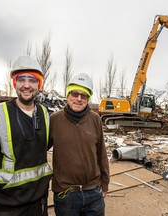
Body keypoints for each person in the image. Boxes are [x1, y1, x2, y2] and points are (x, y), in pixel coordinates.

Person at [0, 55, 52, 216]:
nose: (26, 85)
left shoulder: (44, 114)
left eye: (32, 80)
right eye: (21, 79)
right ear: (15, 83)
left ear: (39, 84)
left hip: (38, 204)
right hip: (6, 206)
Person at [49, 73, 110, 216]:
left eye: (84, 96)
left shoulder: (95, 119)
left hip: (93, 193)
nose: (78, 99)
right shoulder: (54, 120)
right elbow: (38, 151)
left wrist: (105, 182)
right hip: (66, 195)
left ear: (88, 98)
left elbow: (101, 153)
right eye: (75, 94)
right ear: (68, 94)